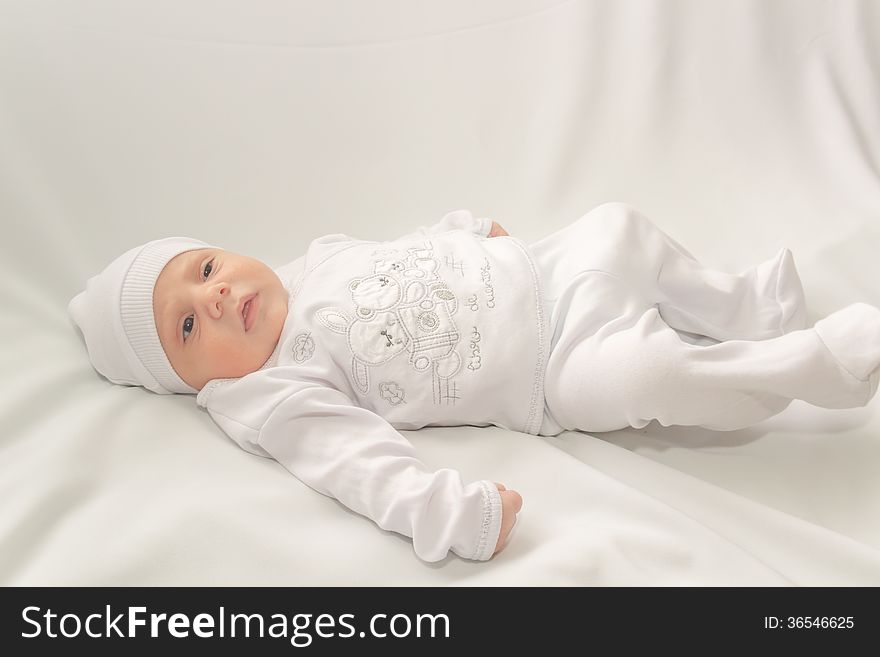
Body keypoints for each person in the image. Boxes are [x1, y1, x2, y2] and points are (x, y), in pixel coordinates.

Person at [68, 203, 880, 562]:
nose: (212, 294)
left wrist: (458, 229)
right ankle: (809, 366)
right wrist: (448, 514)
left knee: (621, 223)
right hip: (551, 370)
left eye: (204, 267)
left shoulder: (310, 258)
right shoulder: (276, 390)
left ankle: (744, 306)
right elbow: (358, 466)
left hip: (547, 263)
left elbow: (398, 254)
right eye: (185, 327)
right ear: (195, 384)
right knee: (649, 373)